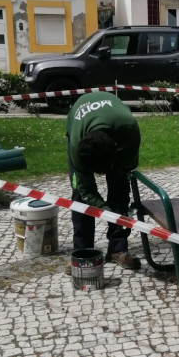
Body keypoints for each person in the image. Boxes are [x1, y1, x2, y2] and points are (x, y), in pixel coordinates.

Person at [66, 91, 142, 269]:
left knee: (120, 189)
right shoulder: (78, 147)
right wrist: (105, 210)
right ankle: (82, 253)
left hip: (119, 130)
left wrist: (116, 215)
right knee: (79, 196)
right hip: (78, 121)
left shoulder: (129, 129)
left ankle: (117, 249)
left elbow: (129, 165)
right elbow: (86, 190)